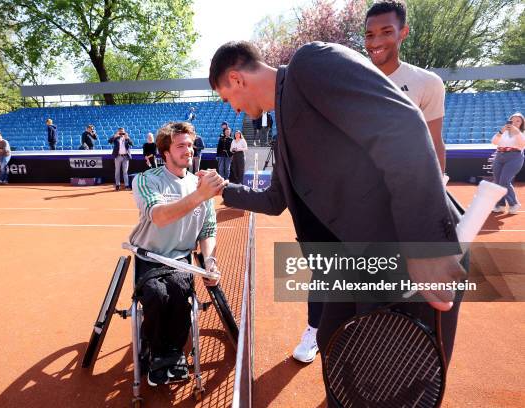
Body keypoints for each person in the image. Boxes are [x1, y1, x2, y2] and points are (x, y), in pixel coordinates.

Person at [208, 41, 465, 403]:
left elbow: (403, 125)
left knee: (395, 387)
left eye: (226, 98)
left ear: (235, 79)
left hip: (406, 253)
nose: (233, 110)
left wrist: (426, 245)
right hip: (356, 265)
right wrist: (223, 189)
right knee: (335, 345)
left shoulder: (309, 63)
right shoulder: (282, 139)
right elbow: (274, 200)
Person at [129, 121, 224, 386]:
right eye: (181, 145)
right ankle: (158, 353)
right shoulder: (146, 180)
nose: (188, 150)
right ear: (165, 152)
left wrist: (211, 262)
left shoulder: (200, 184)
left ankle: (173, 354)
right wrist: (201, 195)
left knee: (181, 294)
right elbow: (159, 217)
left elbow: (208, 230)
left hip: (180, 260)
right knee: (158, 295)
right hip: (149, 257)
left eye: (191, 145)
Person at [365, 0, 446, 172]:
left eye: (386, 32)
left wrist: (437, 189)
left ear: (403, 32)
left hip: (407, 184)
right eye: (369, 35)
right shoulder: (351, 79)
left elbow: (435, 142)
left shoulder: (428, 82)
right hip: (359, 186)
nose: (375, 42)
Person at [491, 113, 525, 214]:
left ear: (522, 123)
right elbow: (494, 141)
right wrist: (501, 131)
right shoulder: (504, 132)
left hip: (514, 157)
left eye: (518, 121)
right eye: (512, 120)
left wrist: (517, 132)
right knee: (497, 181)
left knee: (504, 181)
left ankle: (514, 204)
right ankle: (500, 205)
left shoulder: (522, 133)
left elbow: (522, 144)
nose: (514, 122)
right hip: (499, 155)